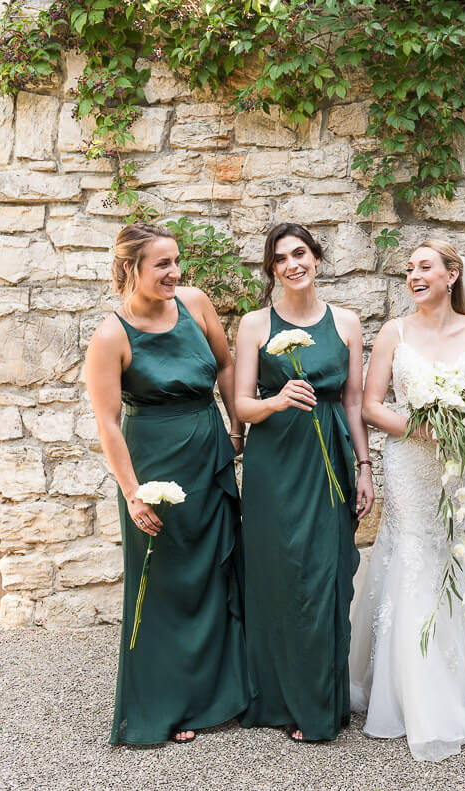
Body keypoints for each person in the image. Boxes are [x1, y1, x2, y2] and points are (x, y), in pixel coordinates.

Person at [351, 239, 465, 762]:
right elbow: (369, 404)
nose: (414, 276)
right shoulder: (394, 332)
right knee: (416, 555)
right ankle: (416, 688)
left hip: (461, 461)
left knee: (463, 549)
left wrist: (464, 413)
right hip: (409, 463)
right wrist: (419, 424)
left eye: (425, 267)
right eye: (409, 269)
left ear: (452, 275)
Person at [85, 223, 250, 746]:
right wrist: (133, 493)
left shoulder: (196, 303)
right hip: (152, 465)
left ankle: (222, 693)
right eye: (162, 264)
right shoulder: (111, 335)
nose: (174, 273)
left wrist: (236, 428)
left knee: (215, 570)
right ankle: (167, 704)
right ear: (131, 267)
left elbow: (225, 365)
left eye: (177, 261)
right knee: (164, 580)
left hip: (208, 454)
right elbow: (108, 423)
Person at [234, 223, 374, 742]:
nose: (292, 264)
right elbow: (242, 405)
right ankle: (280, 698)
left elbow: (355, 401)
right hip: (275, 465)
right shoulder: (254, 324)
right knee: (278, 578)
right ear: (272, 270)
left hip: (330, 460)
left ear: (316, 258)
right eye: (280, 259)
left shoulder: (347, 322)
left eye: (300, 253)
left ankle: (322, 699)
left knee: (323, 577)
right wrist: (275, 400)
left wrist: (364, 467)